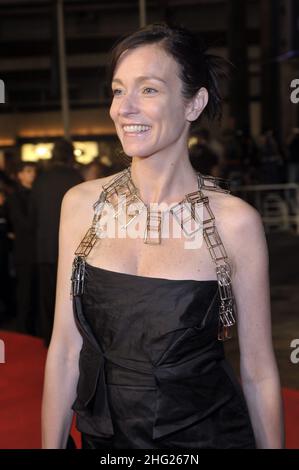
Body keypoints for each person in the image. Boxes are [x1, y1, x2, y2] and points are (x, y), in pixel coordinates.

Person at [41, 22, 284, 449]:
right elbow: (64, 351)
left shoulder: (233, 223)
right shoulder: (81, 206)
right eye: (118, 90)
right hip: (107, 442)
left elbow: (259, 371)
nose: (124, 108)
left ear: (194, 104)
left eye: (148, 90)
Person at [30, 139, 83, 346]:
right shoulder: (76, 178)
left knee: (47, 296)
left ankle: (47, 338)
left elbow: (33, 214)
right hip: (72, 248)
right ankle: (71, 340)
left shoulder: (41, 179)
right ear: (71, 155)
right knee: (71, 296)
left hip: (45, 247)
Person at [6, 161, 37, 334]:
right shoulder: (14, 198)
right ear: (20, 175)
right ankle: (24, 329)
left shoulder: (37, 194)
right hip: (24, 252)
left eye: (33, 171)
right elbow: (21, 224)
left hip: (37, 250)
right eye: (28, 171)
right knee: (25, 292)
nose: (32, 174)